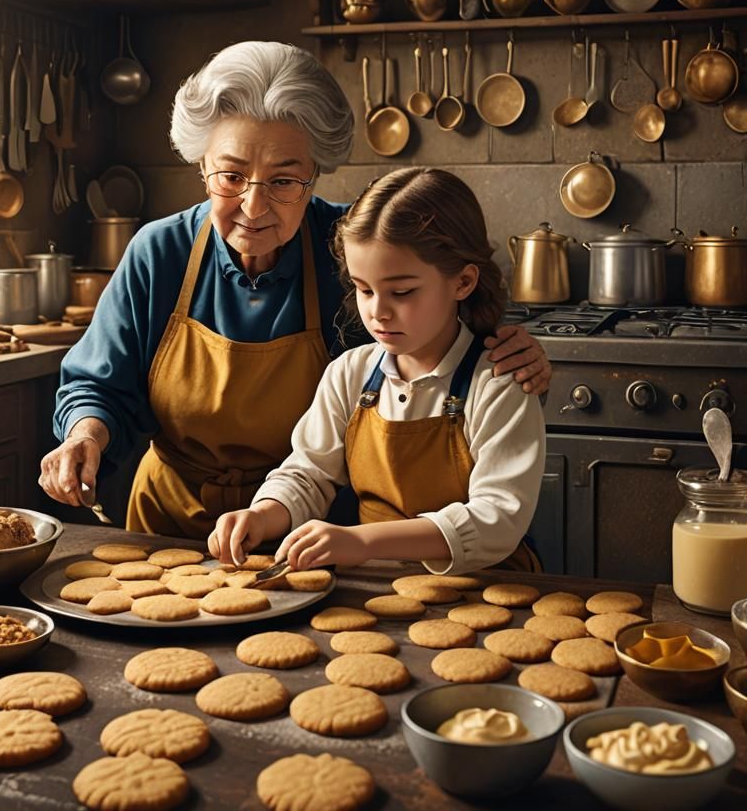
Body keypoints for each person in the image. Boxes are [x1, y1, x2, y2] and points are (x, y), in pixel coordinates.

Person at [39, 42, 550, 539]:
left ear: (315, 173)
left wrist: (509, 354)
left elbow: (446, 350)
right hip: (170, 522)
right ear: (201, 167)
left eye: (283, 182)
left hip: (317, 530)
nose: (254, 206)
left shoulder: (354, 251)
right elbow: (100, 384)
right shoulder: (160, 251)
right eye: (231, 176)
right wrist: (85, 436)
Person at [208, 167, 545, 574]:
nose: (378, 312)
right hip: (376, 586)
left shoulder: (498, 383)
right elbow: (308, 474)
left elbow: (497, 519)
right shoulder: (349, 374)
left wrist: (362, 541)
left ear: (463, 282)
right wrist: (263, 514)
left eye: (401, 292)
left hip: (489, 589)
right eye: (364, 289)